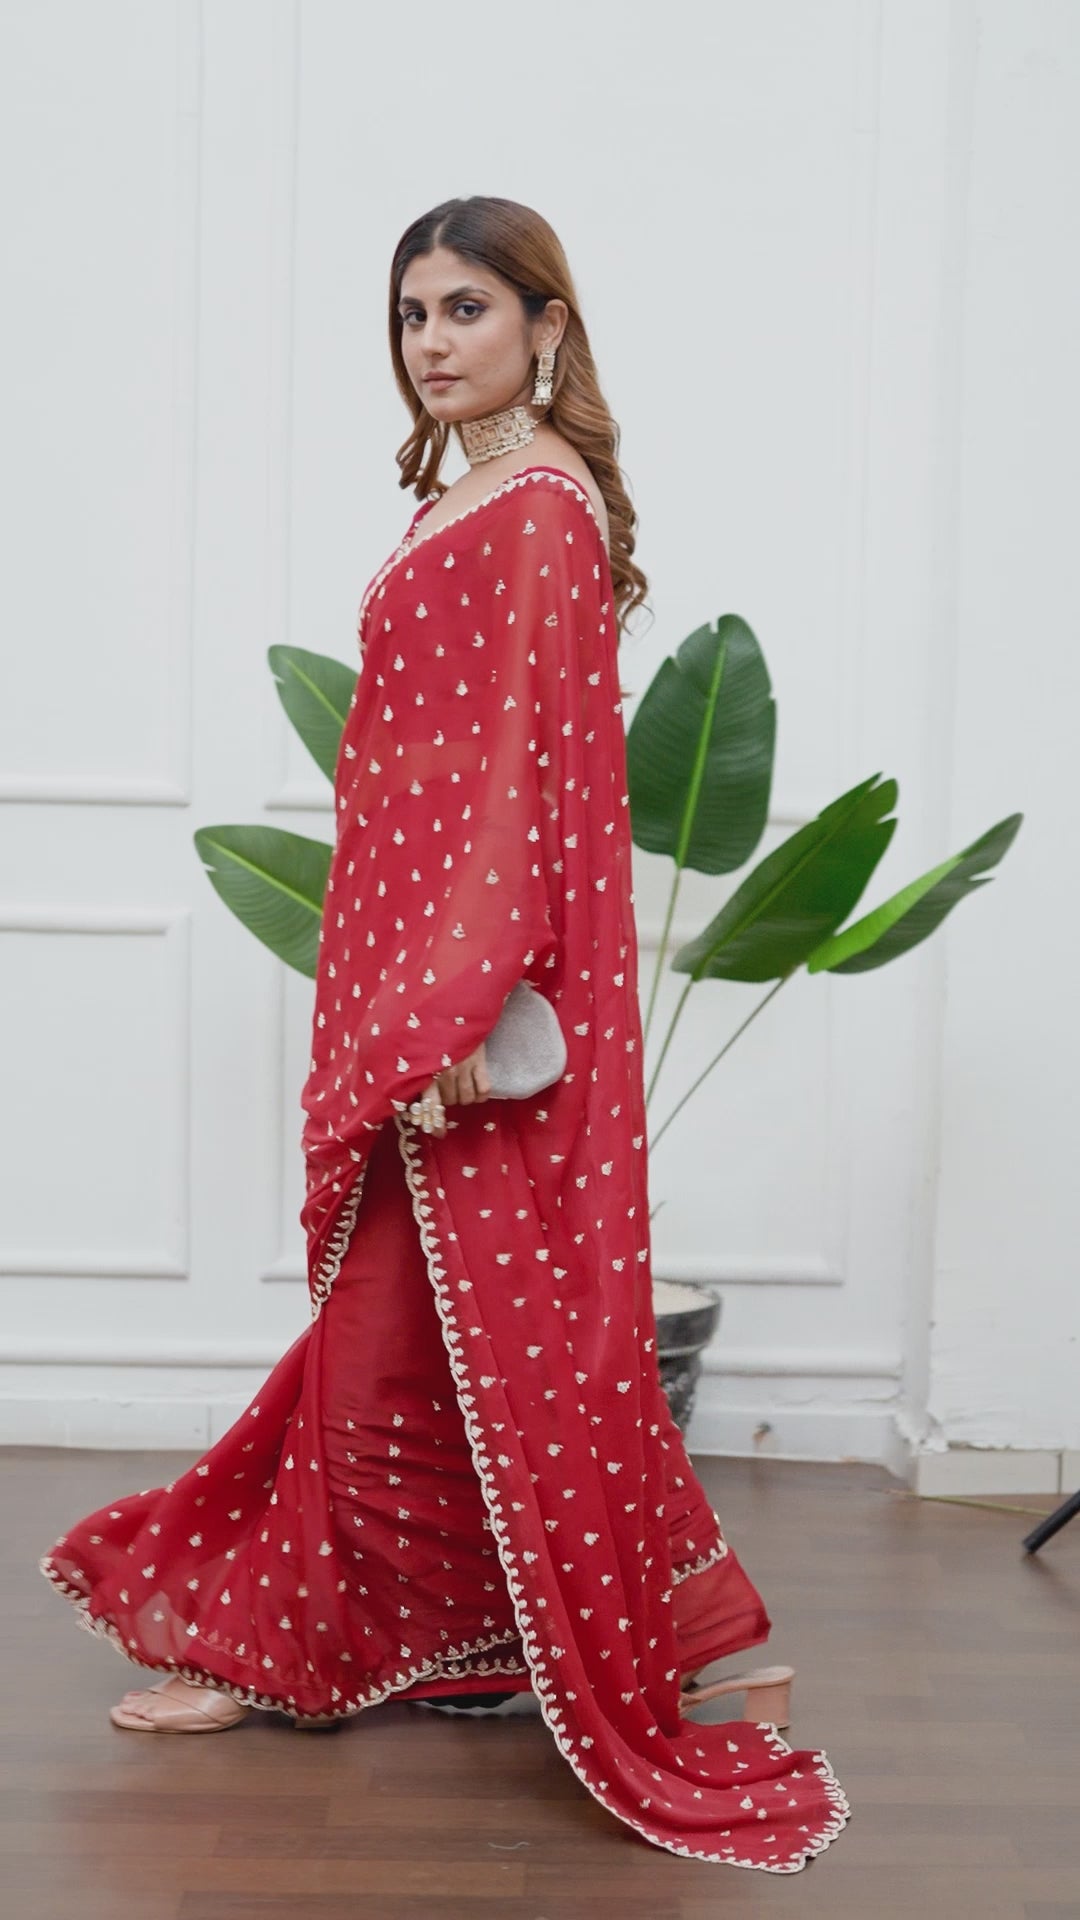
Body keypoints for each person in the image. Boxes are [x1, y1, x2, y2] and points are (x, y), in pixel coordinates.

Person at [38, 196, 848, 1872]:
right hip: (415, 966)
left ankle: (294, 1646)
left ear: (545, 325)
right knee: (456, 1333)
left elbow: (516, 773)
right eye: (411, 313)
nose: (430, 342)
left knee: (458, 1332)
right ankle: (693, 1640)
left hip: (470, 1000)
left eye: (466, 308)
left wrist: (467, 995)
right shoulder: (469, 495)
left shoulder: (535, 506)